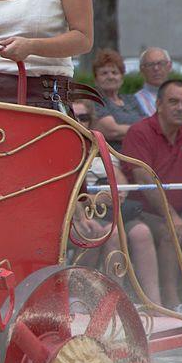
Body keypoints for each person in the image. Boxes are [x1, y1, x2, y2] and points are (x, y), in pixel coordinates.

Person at [122, 80, 182, 313]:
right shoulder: (139, 132)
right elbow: (144, 181)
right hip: (143, 211)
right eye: (173, 102)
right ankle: (171, 302)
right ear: (158, 104)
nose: (181, 107)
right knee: (173, 231)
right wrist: (171, 215)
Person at [70, 99, 162, 307]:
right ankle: (89, 299)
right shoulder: (61, 146)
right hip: (76, 212)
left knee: (141, 232)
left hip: (108, 211)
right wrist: (95, 200)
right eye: (74, 116)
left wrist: (110, 195)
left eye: (83, 117)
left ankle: (153, 302)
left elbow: (119, 180)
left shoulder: (100, 147)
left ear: (91, 121)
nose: (79, 121)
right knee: (107, 233)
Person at [89, 49, 146, 151]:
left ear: (122, 78)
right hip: (113, 156)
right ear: (96, 79)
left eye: (115, 72)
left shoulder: (131, 99)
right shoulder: (95, 101)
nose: (110, 77)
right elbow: (112, 131)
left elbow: (149, 126)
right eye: (104, 73)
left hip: (140, 152)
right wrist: (142, 132)